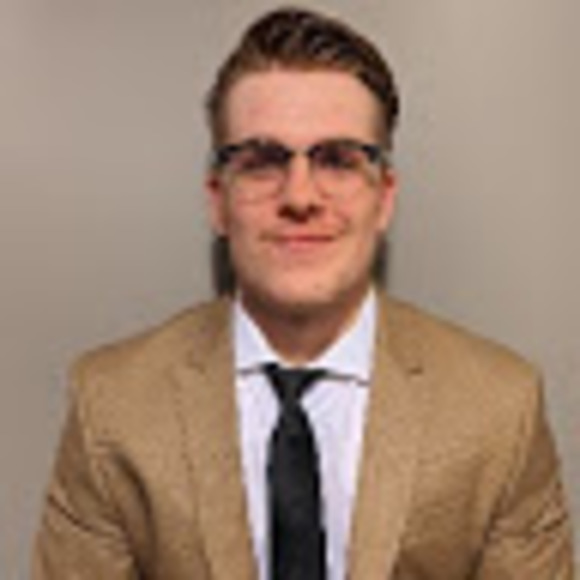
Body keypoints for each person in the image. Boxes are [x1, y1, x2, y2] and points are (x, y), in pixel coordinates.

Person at [33, 7, 574, 580]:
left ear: (384, 198)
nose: (299, 197)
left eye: (338, 160)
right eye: (262, 162)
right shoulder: (112, 406)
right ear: (218, 200)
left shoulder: (499, 410)